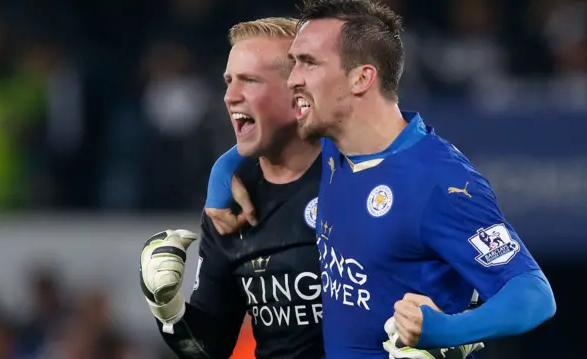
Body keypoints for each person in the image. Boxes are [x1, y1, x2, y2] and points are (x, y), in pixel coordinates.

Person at [204, 1, 557, 359]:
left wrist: (447, 330)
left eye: (308, 63)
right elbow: (261, 136)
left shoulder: (440, 183)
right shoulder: (331, 143)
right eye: (294, 62)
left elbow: (533, 295)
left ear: (361, 78)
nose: (293, 78)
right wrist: (221, 178)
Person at [138, 16, 478, 359]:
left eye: (250, 81)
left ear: (300, 91)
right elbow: (207, 349)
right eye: (229, 82)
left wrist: (451, 336)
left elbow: (473, 286)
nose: (230, 96)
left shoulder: (374, 172)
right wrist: (167, 307)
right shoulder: (231, 206)